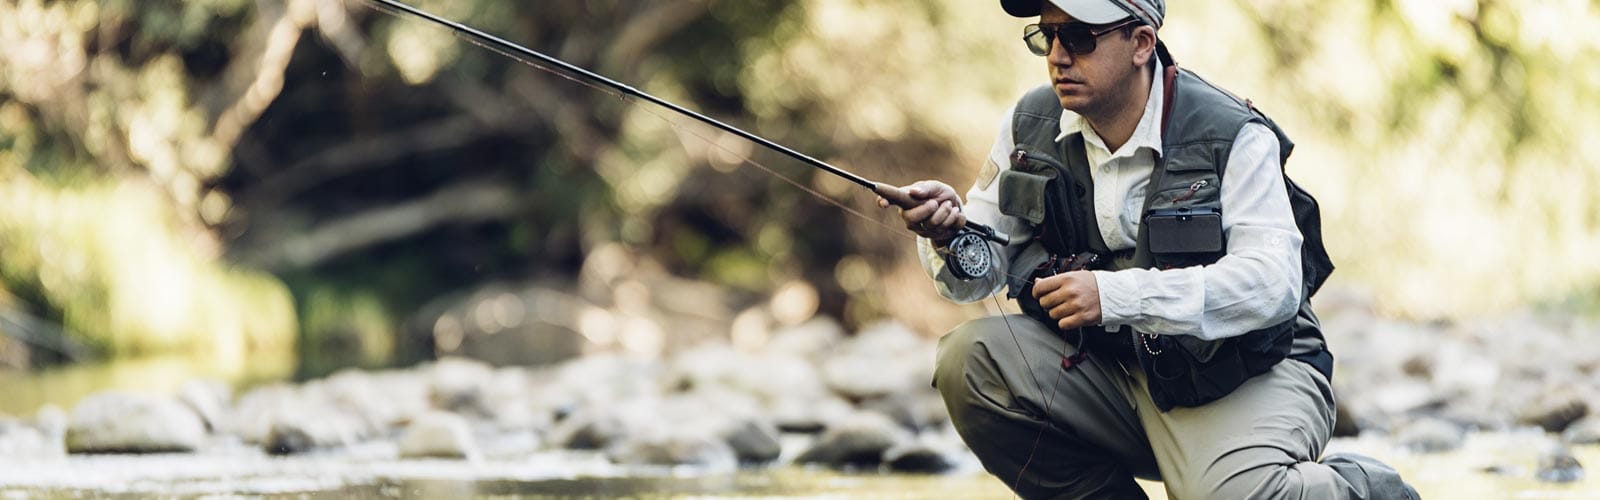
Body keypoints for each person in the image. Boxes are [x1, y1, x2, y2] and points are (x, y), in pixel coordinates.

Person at [878, 0, 1420, 498]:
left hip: (1249, 372)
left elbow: (1273, 284)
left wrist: (1114, 296)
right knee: (967, 361)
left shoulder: (1233, 134)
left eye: (1080, 37)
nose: (1058, 57)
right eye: (1046, 36)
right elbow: (981, 271)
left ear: (1141, 43)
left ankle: (1361, 489)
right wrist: (950, 236)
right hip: (1112, 371)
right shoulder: (1028, 126)